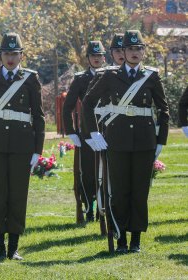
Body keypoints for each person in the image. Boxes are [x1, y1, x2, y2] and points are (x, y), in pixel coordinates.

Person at [82, 30, 169, 253]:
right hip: (117, 140)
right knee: (119, 191)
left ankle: (136, 240)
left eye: (139, 48)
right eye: (130, 49)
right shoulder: (109, 76)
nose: (135, 53)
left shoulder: (151, 76)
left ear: (143, 51)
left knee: (140, 191)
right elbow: (89, 103)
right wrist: (94, 133)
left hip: (144, 141)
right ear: (123, 52)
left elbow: (163, 109)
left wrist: (161, 140)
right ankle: (120, 238)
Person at [0, 32, 45, 261]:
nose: (10, 58)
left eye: (14, 53)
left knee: (17, 196)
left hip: (22, 146)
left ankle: (13, 245)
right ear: (0, 55)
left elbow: (39, 116)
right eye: (6, 53)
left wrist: (37, 150)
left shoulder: (30, 79)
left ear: (21, 55)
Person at [62, 41, 106, 222]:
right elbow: (68, 107)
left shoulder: (112, 76)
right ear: (88, 59)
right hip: (87, 130)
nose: (96, 59)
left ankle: (105, 205)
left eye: (99, 55)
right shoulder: (80, 79)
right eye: (93, 56)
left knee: (108, 170)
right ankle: (89, 207)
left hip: (108, 127)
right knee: (88, 172)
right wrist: (72, 132)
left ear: (104, 57)